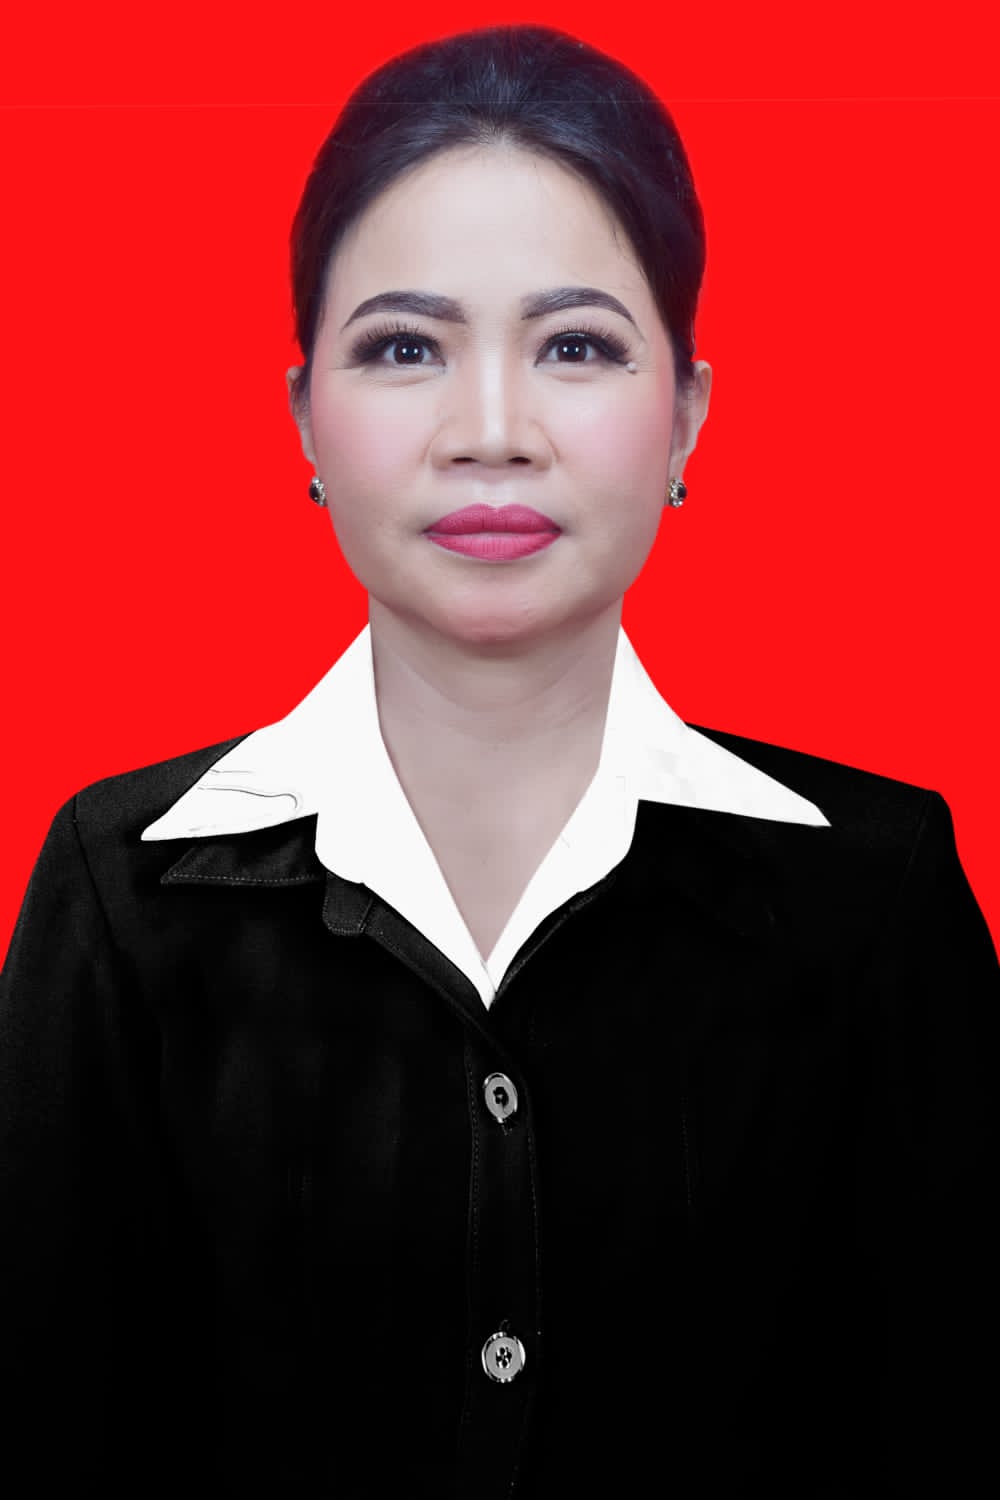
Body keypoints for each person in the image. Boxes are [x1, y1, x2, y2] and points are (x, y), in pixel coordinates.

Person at [1, 21, 996, 1499]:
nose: (489, 433)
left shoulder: (873, 895)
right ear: (305, 418)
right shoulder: (122, 894)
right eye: (405, 348)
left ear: (687, 414)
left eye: (575, 346)